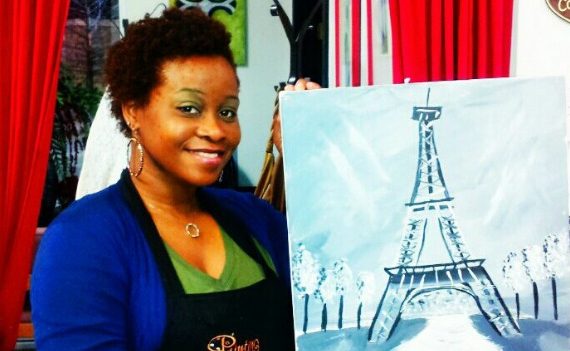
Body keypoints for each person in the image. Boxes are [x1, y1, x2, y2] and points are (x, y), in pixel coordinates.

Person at [31, 8, 319, 350]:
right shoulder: (82, 240)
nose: (216, 130)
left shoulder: (259, 221)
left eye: (227, 111)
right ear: (132, 111)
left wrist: (313, 160)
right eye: (188, 108)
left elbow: (336, 308)